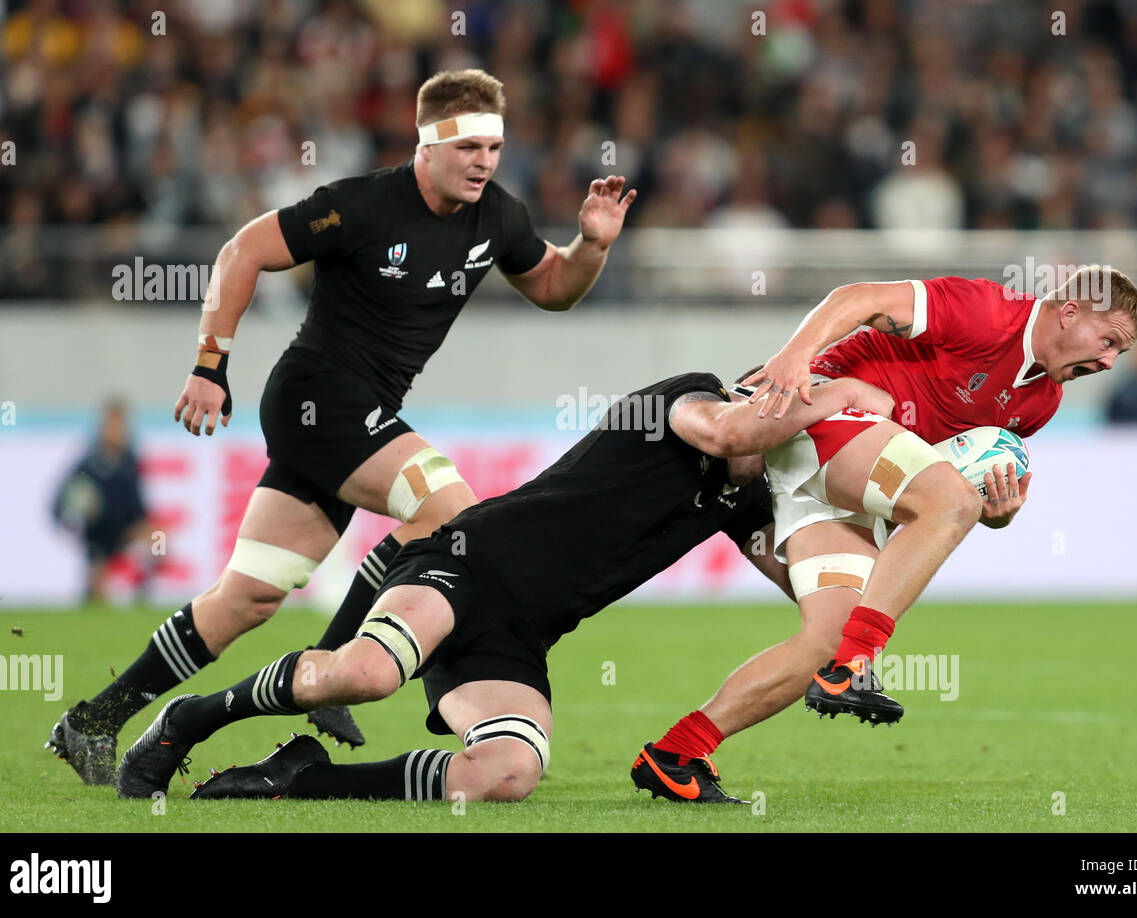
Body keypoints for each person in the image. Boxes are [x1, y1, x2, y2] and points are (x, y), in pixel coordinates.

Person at [47, 68, 637, 786]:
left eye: (494, 146)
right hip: (316, 396)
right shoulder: (361, 206)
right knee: (448, 507)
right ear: (428, 145)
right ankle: (337, 662)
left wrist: (592, 246)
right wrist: (209, 364)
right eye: (470, 146)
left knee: (248, 597)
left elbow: (551, 287)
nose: (485, 160)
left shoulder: (500, 218)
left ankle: (94, 720)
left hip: (358, 418)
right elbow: (243, 252)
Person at [113, 372, 895, 804]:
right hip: (467, 561)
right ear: (760, 392)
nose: (793, 420)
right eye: (786, 402)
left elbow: (810, 592)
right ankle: (192, 715)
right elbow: (730, 432)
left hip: (520, 635)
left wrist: (893, 531)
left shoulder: (753, 503)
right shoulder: (691, 400)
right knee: (366, 672)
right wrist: (839, 394)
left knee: (508, 773)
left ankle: (301, 778)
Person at [631, 266, 1137, 802]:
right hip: (824, 410)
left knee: (828, 637)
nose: (1109, 361)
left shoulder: (1040, 400)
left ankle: (676, 753)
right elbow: (856, 297)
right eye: (1109, 341)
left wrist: (998, 512)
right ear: (1069, 313)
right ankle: (855, 663)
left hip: (835, 473)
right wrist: (795, 356)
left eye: (1120, 352)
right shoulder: (987, 312)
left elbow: (953, 480)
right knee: (948, 505)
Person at [51, 399, 153, 603]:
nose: (116, 430)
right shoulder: (88, 463)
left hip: (126, 532)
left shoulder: (129, 461)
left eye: (120, 425)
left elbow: (139, 505)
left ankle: (140, 596)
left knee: (159, 542)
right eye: (111, 425)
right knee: (98, 588)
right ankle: (93, 592)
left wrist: (146, 528)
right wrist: (72, 520)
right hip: (98, 535)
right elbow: (59, 503)